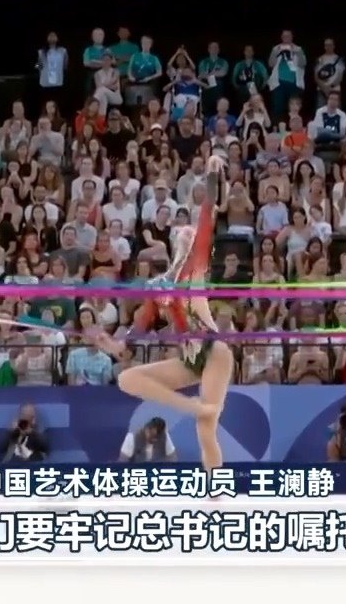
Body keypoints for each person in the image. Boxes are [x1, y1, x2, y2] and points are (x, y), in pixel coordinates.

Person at [91, 155, 234, 473]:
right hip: (189, 359)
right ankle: (192, 406)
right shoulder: (156, 287)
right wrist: (112, 345)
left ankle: (216, 490)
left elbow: (208, 212)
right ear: (171, 242)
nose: (187, 233)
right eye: (182, 232)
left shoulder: (196, 268)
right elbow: (133, 336)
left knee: (206, 430)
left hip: (213, 351)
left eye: (191, 233)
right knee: (127, 378)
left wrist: (212, 175)